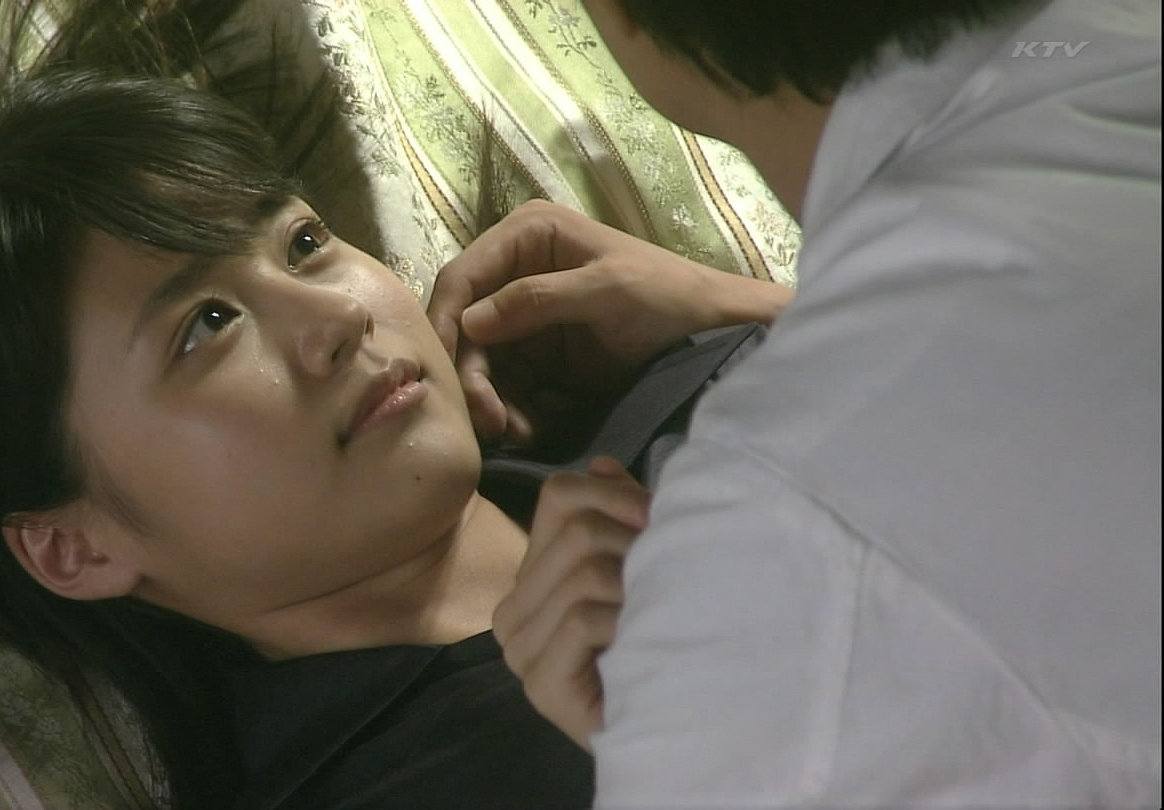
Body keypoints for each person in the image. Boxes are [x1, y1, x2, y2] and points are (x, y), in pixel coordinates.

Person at [0, 1, 790, 808]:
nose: (337, 318)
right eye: (206, 325)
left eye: (305, 243)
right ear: (73, 547)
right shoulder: (414, 780)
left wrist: (751, 306)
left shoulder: (688, 385)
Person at [429, 0, 1161, 806]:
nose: (341, 326)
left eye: (324, 249)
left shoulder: (779, 549)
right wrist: (755, 303)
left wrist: (679, 738)